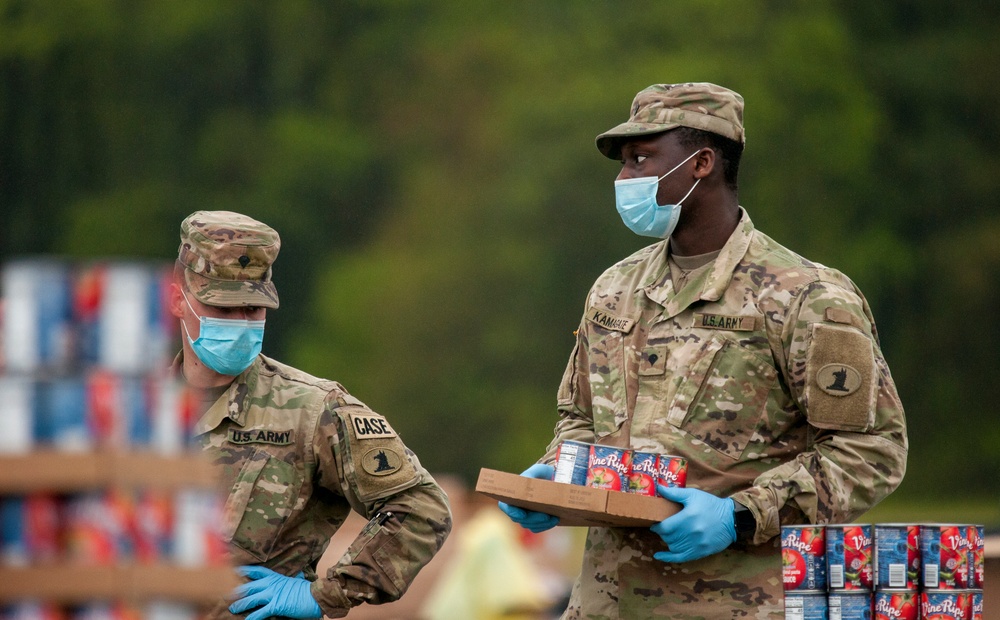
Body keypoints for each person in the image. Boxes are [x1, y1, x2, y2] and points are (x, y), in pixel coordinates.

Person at [499, 82, 907, 618]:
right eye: (623, 164)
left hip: (739, 601)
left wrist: (739, 516)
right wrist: (562, 471)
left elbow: (871, 451)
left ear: (702, 163)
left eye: (642, 159)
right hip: (609, 600)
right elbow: (580, 415)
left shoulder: (805, 296)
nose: (625, 179)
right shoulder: (614, 289)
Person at [168, 210, 452, 619]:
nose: (242, 323)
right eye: (224, 309)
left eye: (253, 310)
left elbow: (422, 508)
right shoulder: (135, 411)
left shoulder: (311, 409)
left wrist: (326, 594)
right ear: (179, 300)